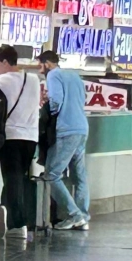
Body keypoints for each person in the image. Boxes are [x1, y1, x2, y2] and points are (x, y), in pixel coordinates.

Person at [0, 46, 40, 240]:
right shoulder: (34, 79)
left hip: (10, 136)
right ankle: (6, 211)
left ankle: (18, 224)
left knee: (11, 179)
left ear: (4, 62)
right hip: (30, 138)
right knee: (18, 179)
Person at [37, 50, 90, 231]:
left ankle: (74, 215)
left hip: (66, 130)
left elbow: (56, 101)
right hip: (82, 127)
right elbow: (84, 98)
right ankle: (83, 216)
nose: (39, 69)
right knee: (79, 176)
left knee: (52, 174)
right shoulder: (75, 76)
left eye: (40, 65)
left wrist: (48, 109)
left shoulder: (53, 75)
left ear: (48, 64)